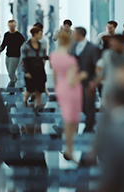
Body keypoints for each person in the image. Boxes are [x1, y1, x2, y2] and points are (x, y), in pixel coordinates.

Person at [50, 32, 87, 161]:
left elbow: (55, 75)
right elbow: (72, 81)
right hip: (71, 90)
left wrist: (57, 86)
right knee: (72, 119)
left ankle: (68, 147)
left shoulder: (53, 56)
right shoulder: (71, 60)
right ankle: (69, 148)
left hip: (60, 87)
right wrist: (82, 76)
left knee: (67, 117)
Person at [89, 34, 124, 109]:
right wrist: (94, 85)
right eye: (111, 44)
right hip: (109, 89)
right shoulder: (107, 54)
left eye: (115, 44)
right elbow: (102, 72)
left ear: (122, 43)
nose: (112, 46)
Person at [69, 27, 100, 133]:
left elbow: (97, 66)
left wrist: (94, 80)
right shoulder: (73, 47)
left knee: (88, 104)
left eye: (74, 33)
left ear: (79, 34)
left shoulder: (92, 48)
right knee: (79, 104)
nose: (72, 35)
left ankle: (90, 125)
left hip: (88, 81)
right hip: (75, 81)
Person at [21, 27, 48, 112]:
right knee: (30, 90)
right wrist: (26, 71)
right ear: (35, 34)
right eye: (40, 33)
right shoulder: (25, 45)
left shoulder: (42, 46)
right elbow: (24, 60)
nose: (41, 36)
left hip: (40, 70)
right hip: (30, 70)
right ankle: (25, 101)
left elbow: (44, 56)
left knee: (39, 90)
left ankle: (37, 107)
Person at [0, 20, 26, 88]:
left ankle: (13, 83)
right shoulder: (6, 35)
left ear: (15, 26)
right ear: (8, 26)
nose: (11, 27)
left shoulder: (19, 35)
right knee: (9, 73)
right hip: (7, 56)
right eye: (10, 25)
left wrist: (24, 58)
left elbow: (25, 46)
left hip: (15, 57)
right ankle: (14, 82)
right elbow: (3, 45)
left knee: (11, 73)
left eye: (13, 25)